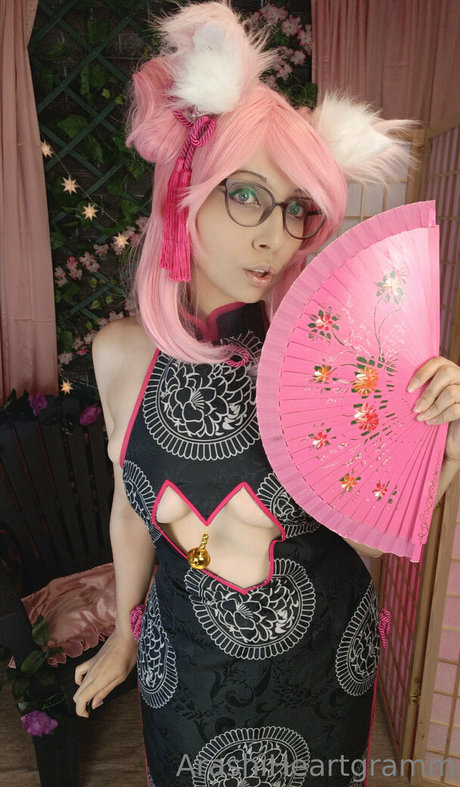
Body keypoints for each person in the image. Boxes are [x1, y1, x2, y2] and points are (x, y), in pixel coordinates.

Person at [73, 3, 460, 785]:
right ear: (185, 189)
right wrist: (121, 635)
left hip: (324, 659)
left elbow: (375, 535)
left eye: (297, 209)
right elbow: (129, 505)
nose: (273, 237)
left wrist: (439, 444)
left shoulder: (329, 363)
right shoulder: (118, 352)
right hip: (184, 662)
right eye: (247, 194)